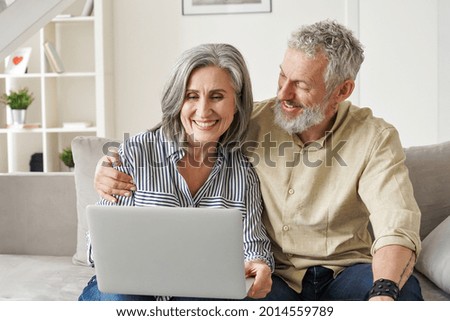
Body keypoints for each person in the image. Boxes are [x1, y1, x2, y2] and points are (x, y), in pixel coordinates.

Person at [94, 20, 423, 301]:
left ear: (342, 90)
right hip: (278, 279)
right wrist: (106, 165)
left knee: (404, 295)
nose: (283, 94)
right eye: (282, 77)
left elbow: (396, 225)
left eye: (301, 85)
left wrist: (384, 291)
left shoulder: (375, 138)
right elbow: (183, 124)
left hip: (345, 273)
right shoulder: (251, 120)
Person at [78, 43, 274, 301]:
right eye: (192, 96)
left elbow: (252, 243)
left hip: (197, 295)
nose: (203, 111)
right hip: (128, 291)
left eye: (216, 96)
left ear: (236, 104)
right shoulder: (134, 154)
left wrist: (259, 264)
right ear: (177, 101)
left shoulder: (242, 172)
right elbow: (100, 247)